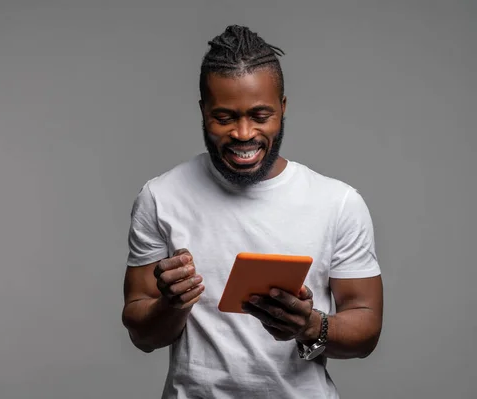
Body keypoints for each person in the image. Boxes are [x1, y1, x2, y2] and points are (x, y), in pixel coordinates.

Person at [121, 24, 383, 399]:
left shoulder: (338, 203)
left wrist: (310, 326)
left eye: (260, 115)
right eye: (224, 117)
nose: (243, 134)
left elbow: (366, 330)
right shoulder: (160, 197)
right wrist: (171, 305)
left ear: (283, 108)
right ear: (203, 111)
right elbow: (141, 334)